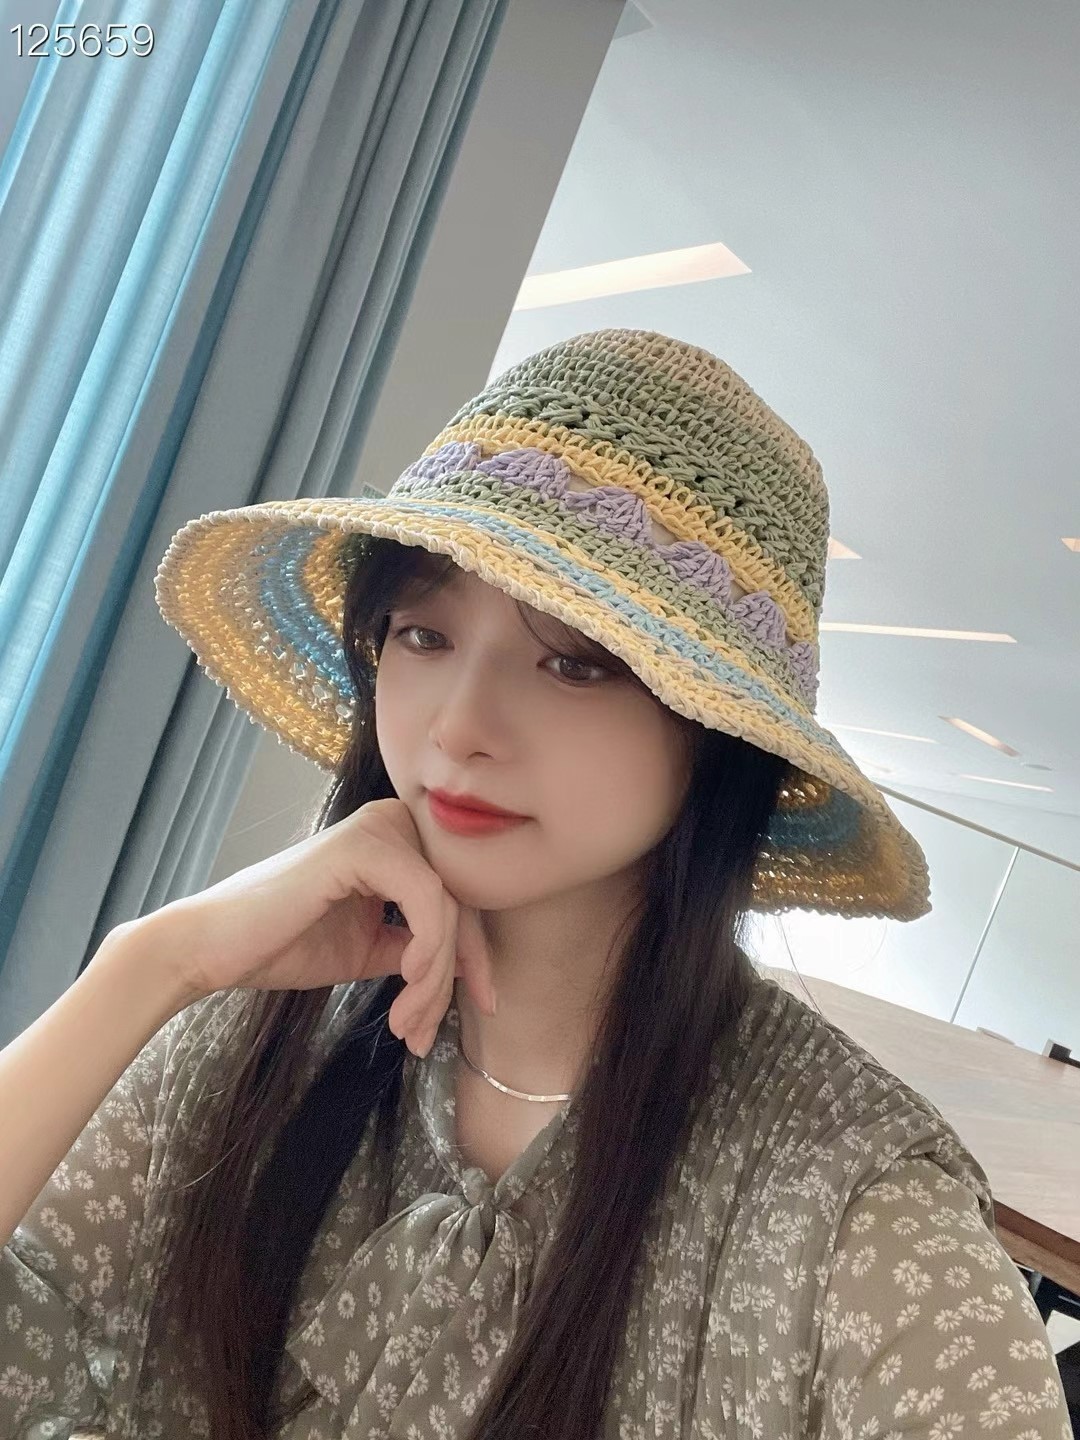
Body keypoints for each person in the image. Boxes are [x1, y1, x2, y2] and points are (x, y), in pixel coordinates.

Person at [0, 328, 1070, 1440]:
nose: (459, 727)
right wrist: (151, 964)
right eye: (423, 633)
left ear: (718, 737)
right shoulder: (261, 1023)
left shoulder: (847, 1209)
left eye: (573, 661)